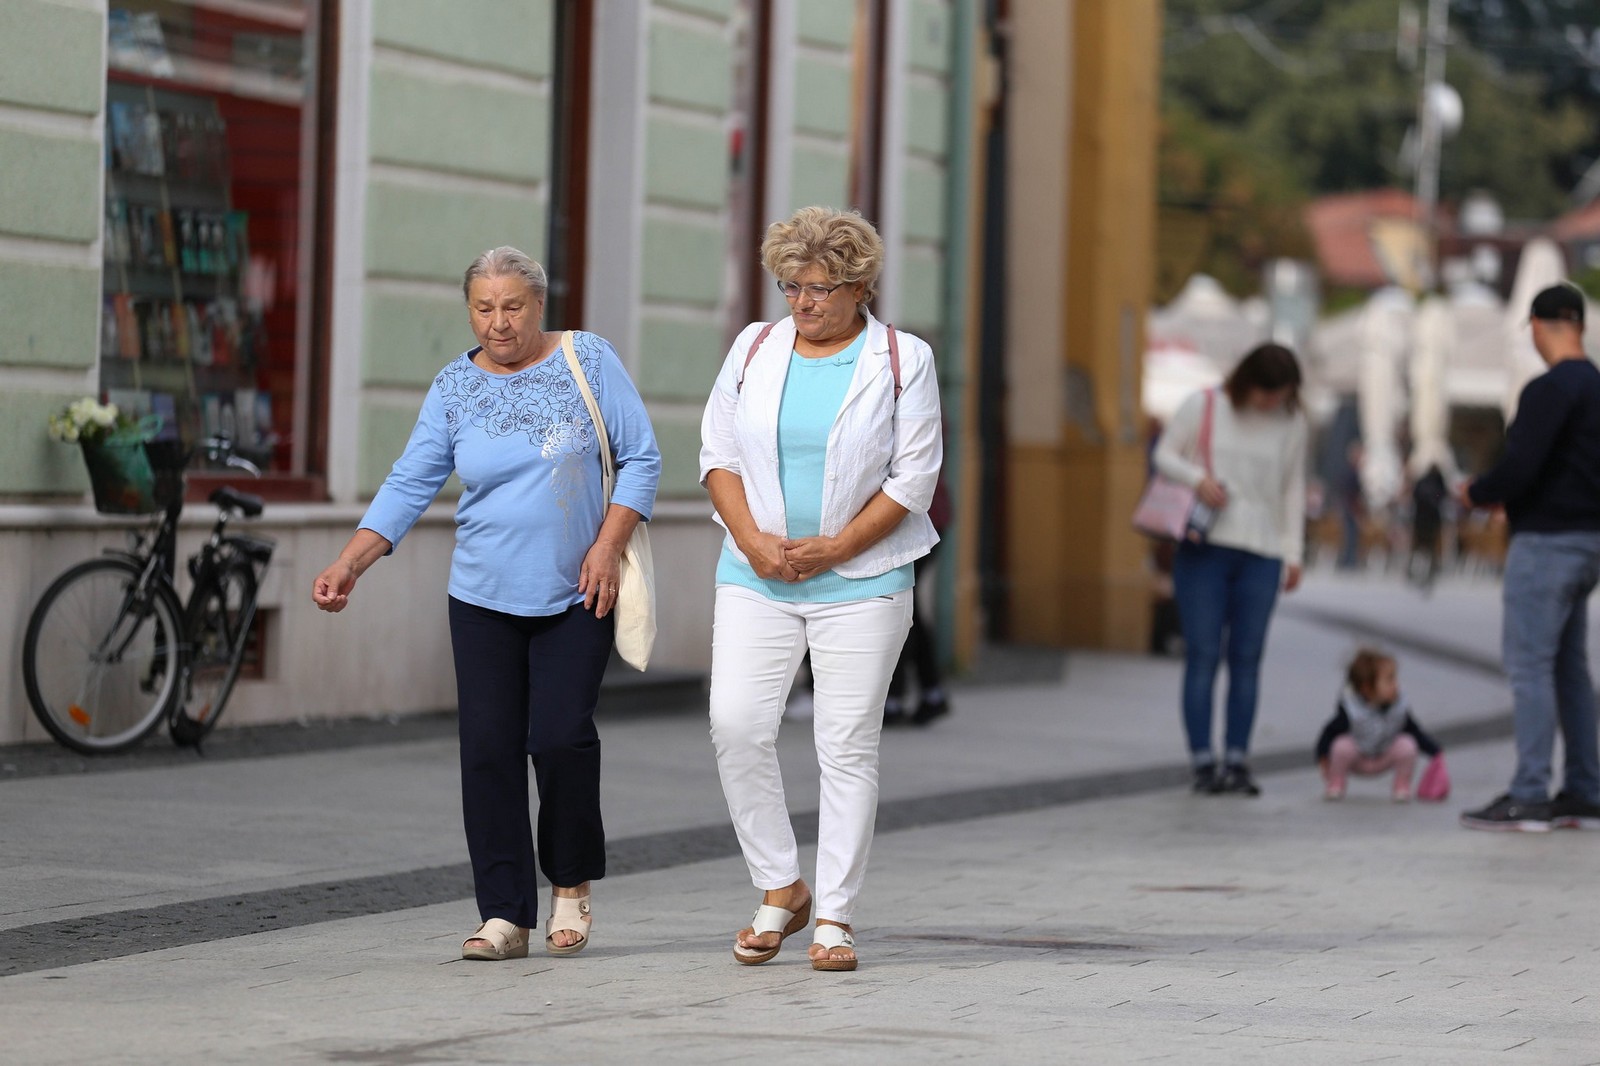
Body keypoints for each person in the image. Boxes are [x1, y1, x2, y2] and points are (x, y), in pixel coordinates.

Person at [311, 247, 661, 957]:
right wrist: (351, 561)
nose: (498, 322)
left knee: (559, 737)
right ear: (469, 310)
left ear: (538, 304)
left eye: (513, 306)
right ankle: (504, 915)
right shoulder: (452, 387)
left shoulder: (586, 360)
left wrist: (606, 544)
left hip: (577, 591)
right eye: (484, 308)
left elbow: (643, 456)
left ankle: (569, 883)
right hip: (481, 594)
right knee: (489, 753)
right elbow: (411, 481)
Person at [700, 206, 942, 972]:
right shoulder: (755, 346)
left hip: (864, 581)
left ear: (861, 287)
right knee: (735, 724)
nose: (803, 303)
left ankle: (833, 915)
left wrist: (836, 546)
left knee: (844, 746)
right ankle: (781, 885)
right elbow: (717, 452)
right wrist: (752, 540)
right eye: (791, 286)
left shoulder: (904, 359)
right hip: (755, 574)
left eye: (821, 288)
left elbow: (916, 478)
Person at [1458, 283, 1600, 832]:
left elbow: (1520, 468)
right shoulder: (1596, 387)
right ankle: (1585, 791)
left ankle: (1530, 792)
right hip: (1590, 543)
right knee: (1569, 667)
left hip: (1545, 544)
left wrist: (1477, 492)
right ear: (1580, 326)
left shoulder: (1548, 390)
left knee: (1530, 666)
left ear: (1537, 327)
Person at [1152, 342, 1307, 796]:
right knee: (1202, 654)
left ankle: (1237, 759)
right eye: (1265, 392)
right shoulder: (1204, 404)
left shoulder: (1292, 422)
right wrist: (1197, 479)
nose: (1271, 402)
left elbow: (1293, 488)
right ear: (1247, 381)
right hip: (1206, 548)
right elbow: (1164, 455)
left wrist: (1294, 553)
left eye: (1281, 394)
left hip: (1262, 552)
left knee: (1247, 657)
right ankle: (1203, 760)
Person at [1315, 648, 1442, 802]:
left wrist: (1434, 751)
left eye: (1395, 678)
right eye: (1390, 680)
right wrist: (1322, 755)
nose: (1396, 685)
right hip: (1358, 758)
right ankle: (1336, 783)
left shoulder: (1398, 708)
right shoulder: (1352, 710)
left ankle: (1401, 786)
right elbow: (1329, 732)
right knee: (1341, 746)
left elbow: (1415, 731)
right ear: (1367, 688)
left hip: (1384, 755)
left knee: (1408, 745)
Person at [884, 463, 952, 726]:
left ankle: (895, 698)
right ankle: (931, 691)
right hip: (920, 516)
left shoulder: (920, 419)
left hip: (916, 521)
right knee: (905, 605)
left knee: (897, 603)